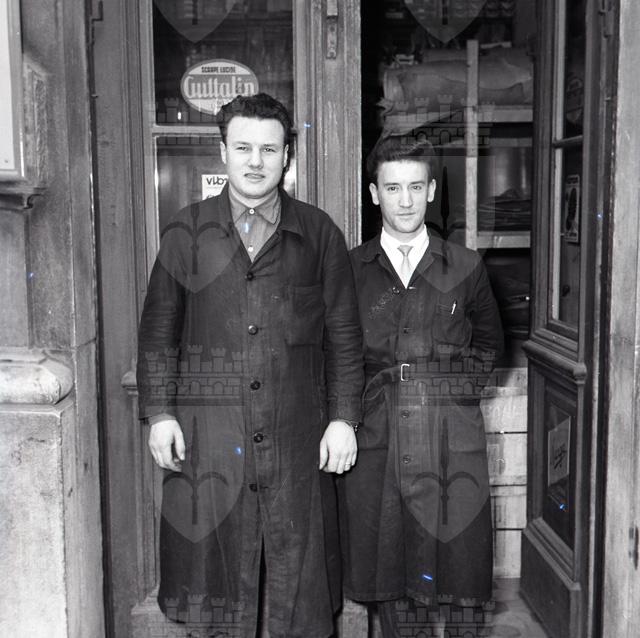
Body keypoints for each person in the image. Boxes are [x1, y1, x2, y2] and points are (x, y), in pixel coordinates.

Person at [137, 93, 363, 638]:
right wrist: (160, 413)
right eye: (243, 148)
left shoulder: (319, 234)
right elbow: (159, 332)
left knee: (298, 589)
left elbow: (344, 336)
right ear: (223, 152)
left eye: (269, 149)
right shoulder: (185, 233)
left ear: (287, 156)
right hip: (212, 435)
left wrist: (344, 418)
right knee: (214, 582)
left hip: (297, 434)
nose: (255, 161)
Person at [339, 135, 503, 637]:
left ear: (431, 190)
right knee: (392, 569)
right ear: (374, 194)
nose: (405, 200)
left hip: (450, 436)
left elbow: (490, 346)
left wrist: (455, 398)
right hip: (379, 436)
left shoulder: (466, 266)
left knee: (460, 568)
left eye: (415, 186)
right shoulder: (351, 270)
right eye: (392, 188)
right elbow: (337, 353)